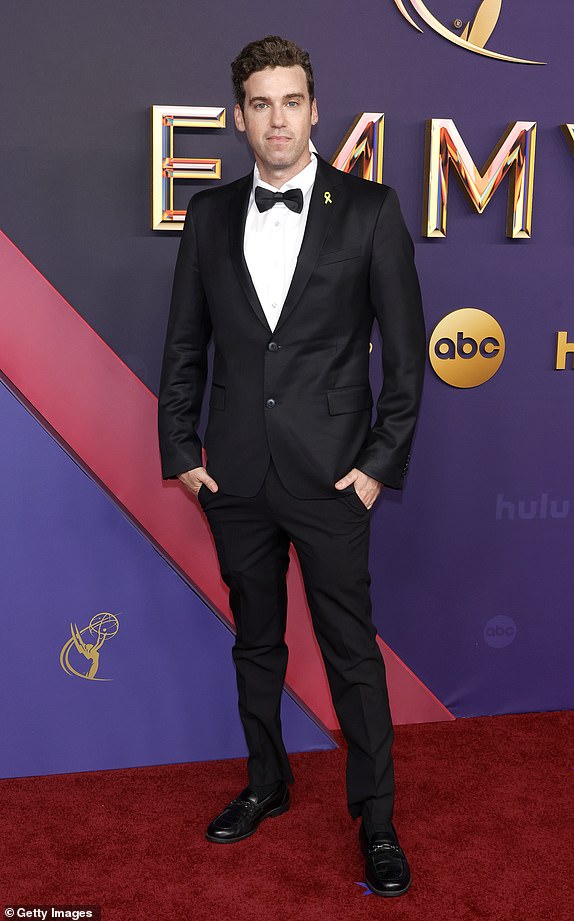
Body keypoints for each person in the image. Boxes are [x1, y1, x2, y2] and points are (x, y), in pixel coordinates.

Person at [158, 35, 425, 897]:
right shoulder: (207, 216)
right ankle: (267, 780)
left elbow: (409, 360)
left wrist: (378, 465)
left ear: (315, 110)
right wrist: (181, 453)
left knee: (352, 653)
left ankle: (377, 821)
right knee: (256, 643)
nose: (279, 119)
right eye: (261, 104)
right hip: (233, 476)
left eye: (293, 101)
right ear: (240, 118)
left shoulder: (372, 209)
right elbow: (183, 348)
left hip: (334, 476)